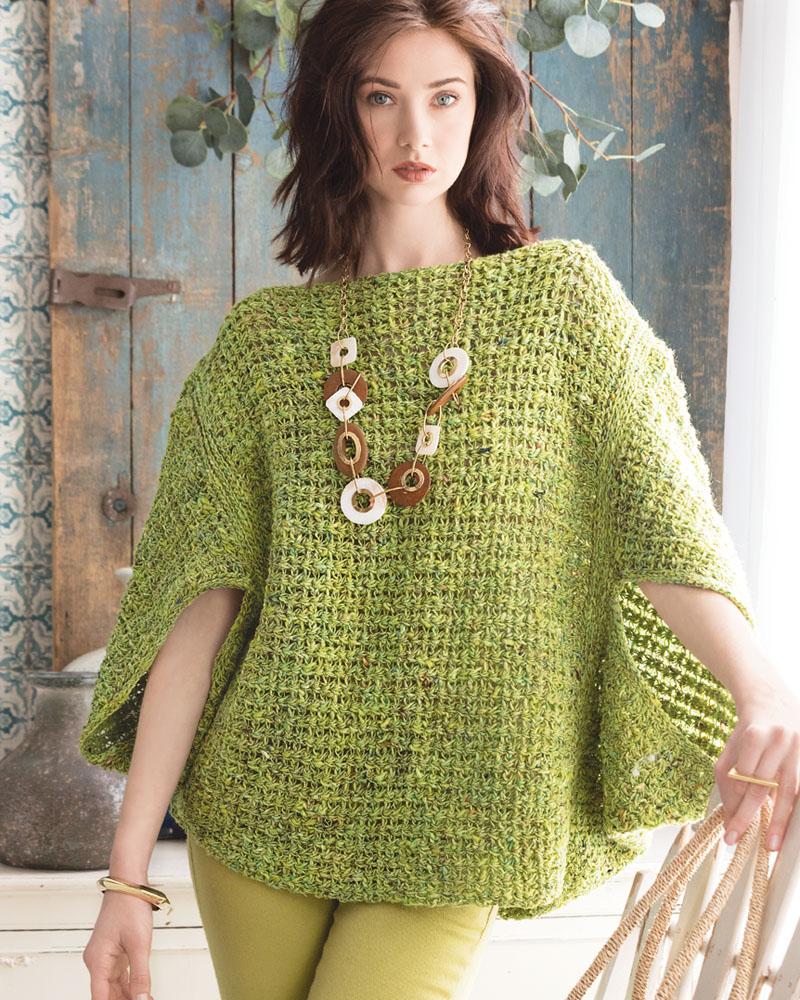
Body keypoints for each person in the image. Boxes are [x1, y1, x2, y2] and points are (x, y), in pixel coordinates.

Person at [79, 1, 800, 999]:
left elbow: (661, 526)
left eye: (445, 97)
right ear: (338, 110)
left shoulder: (561, 305)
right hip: (264, 793)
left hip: (465, 799)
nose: (416, 133)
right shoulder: (262, 347)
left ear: (483, 109)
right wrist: (127, 878)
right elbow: (197, 612)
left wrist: (762, 691)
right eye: (382, 98)